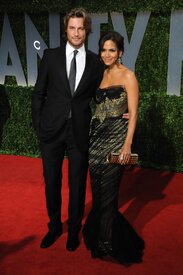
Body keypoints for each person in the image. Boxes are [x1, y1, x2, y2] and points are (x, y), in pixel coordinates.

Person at [32, 8, 104, 251]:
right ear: (65, 30)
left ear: (87, 31)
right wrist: (38, 126)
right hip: (51, 131)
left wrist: (119, 110)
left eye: (81, 28)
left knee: (77, 184)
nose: (76, 32)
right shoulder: (51, 56)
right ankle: (54, 227)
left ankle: (74, 230)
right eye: (72, 28)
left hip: (79, 132)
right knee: (51, 181)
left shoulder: (96, 61)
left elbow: (98, 97)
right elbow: (38, 94)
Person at [83, 31, 145, 265]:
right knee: (98, 195)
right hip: (95, 140)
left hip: (117, 141)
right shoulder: (100, 74)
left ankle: (108, 242)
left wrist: (127, 144)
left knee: (109, 194)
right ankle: (102, 232)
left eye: (112, 50)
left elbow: (134, 113)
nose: (107, 54)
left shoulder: (128, 76)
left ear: (120, 52)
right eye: (103, 50)